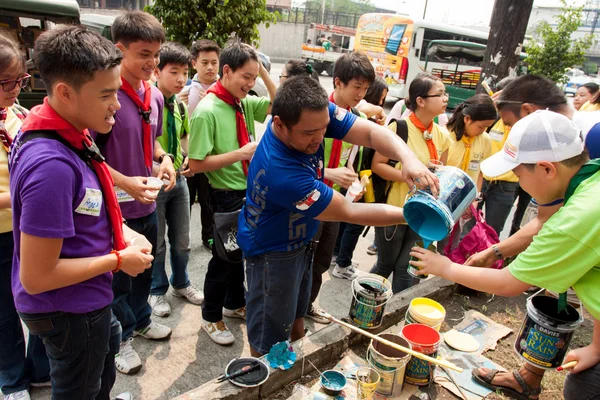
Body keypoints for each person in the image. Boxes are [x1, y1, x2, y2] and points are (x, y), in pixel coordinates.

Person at [238, 75, 438, 356]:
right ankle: (264, 380)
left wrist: (409, 158)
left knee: (297, 315)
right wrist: (414, 215)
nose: (320, 138)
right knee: (268, 340)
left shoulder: (315, 113)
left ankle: (297, 362)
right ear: (279, 124)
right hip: (272, 254)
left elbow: (369, 133)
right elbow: (351, 211)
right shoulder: (282, 173)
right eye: (309, 133)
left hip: (300, 240)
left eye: (324, 129)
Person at [410, 110, 599, 400]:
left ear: (547, 169)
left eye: (519, 173)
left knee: (583, 388)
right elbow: (544, 222)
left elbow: (509, 283)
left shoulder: (576, 220)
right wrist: (494, 251)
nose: (520, 181)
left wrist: (445, 267)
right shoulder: (590, 179)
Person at [9, 25, 151, 400]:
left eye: (116, 91)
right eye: (106, 95)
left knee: (97, 372)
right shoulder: (51, 166)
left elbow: (87, 204)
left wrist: (124, 231)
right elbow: (37, 277)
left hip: (84, 299)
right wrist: (118, 260)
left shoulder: (64, 124)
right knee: (79, 387)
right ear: (64, 92)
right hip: (69, 309)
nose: (116, 105)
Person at [92, 10, 175, 375]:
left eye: (155, 54)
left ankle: (141, 320)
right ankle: (121, 338)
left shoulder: (153, 95)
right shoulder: (103, 98)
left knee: (146, 267)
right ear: (118, 49)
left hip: (146, 203)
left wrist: (165, 158)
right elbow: (85, 154)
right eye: (143, 53)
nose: (152, 62)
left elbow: (151, 139)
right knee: (118, 280)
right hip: (113, 208)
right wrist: (123, 181)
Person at [187, 42, 276, 345]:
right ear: (226, 71)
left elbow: (279, 103)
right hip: (223, 195)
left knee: (240, 253)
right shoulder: (207, 110)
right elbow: (197, 164)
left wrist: (262, 70)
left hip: (247, 191)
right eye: (246, 77)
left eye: (254, 78)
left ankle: (234, 302)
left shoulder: (242, 101)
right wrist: (240, 154)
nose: (251, 85)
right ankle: (211, 316)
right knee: (223, 259)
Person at [306, 52, 375, 325]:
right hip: (310, 197)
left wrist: (353, 181)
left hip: (334, 198)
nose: (361, 93)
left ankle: (307, 305)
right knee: (302, 258)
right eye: (357, 87)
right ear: (338, 82)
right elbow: (292, 161)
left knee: (323, 260)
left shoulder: (356, 117)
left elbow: (351, 156)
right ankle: (294, 310)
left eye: (366, 88)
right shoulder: (314, 110)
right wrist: (327, 172)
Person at [0, 31, 50, 400]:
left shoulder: (18, 114)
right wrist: (21, 199)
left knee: (37, 298)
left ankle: (39, 370)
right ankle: (12, 380)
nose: (16, 88)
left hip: (24, 227)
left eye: (21, 80)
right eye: (6, 82)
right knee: (4, 313)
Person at [370, 73, 451, 294]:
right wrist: (410, 176)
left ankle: (390, 314)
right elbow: (377, 165)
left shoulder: (442, 135)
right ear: (420, 101)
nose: (445, 98)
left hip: (424, 214)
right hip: (395, 208)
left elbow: (441, 171)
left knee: (406, 268)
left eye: (445, 94)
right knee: (386, 264)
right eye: (440, 94)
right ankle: (364, 309)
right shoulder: (399, 129)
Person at [149, 42, 204, 318]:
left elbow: (182, 138)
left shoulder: (179, 107)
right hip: (153, 181)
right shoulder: (147, 104)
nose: (181, 79)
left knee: (182, 239)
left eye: (184, 72)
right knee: (156, 243)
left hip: (179, 181)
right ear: (157, 71)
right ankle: (156, 290)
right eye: (174, 71)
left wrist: (186, 158)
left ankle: (181, 283)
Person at [338, 76, 389, 258]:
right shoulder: (360, 111)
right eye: (381, 97)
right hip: (351, 174)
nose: (360, 94)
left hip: (357, 173)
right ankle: (342, 260)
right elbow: (365, 108)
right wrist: (380, 110)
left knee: (346, 219)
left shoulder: (363, 117)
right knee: (354, 221)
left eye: (365, 89)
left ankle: (339, 256)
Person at [186, 39, 221, 250]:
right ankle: (182, 237)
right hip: (189, 155)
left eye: (214, 62)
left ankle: (208, 236)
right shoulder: (185, 88)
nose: (210, 67)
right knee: (186, 199)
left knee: (209, 200)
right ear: (194, 63)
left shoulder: (224, 88)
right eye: (204, 62)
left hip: (212, 156)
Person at [445, 94, 497, 191]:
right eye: (481, 127)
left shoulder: (485, 139)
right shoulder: (445, 135)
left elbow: (480, 171)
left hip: (467, 196)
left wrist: (475, 196)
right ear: (467, 119)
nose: (483, 131)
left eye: (487, 127)